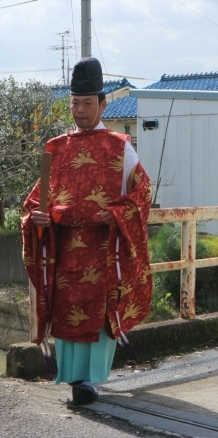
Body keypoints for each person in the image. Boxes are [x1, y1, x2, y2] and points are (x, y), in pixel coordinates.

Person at [20, 57, 153, 405]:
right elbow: (35, 201)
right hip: (64, 251)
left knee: (97, 312)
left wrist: (118, 214)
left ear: (102, 104)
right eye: (74, 103)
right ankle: (71, 376)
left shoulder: (120, 147)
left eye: (87, 103)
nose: (79, 110)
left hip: (102, 250)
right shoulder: (57, 148)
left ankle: (91, 380)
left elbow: (143, 192)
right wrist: (36, 218)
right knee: (66, 309)